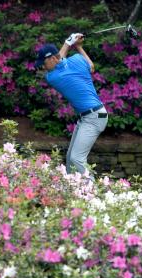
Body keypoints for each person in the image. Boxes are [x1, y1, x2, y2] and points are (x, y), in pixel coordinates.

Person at [34, 33, 107, 180]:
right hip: (90, 115)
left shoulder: (54, 77)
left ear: (52, 58)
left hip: (95, 116)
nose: (42, 66)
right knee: (70, 158)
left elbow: (60, 58)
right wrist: (78, 47)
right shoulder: (77, 60)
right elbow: (91, 66)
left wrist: (68, 43)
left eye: (43, 63)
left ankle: (93, 192)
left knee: (77, 158)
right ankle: (71, 188)